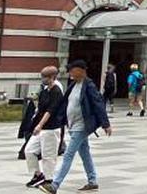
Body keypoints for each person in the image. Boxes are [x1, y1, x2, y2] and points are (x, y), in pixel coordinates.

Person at [39, 59, 111, 194]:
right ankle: (92, 181)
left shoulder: (88, 85)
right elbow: (64, 103)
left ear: (81, 71)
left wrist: (105, 124)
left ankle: (54, 185)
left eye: (72, 70)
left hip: (82, 126)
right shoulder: (73, 85)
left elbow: (98, 104)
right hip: (73, 125)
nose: (70, 73)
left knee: (68, 154)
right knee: (85, 153)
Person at [24, 66, 64, 188]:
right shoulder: (45, 90)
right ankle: (38, 174)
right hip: (40, 128)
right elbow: (40, 109)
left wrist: (40, 125)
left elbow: (50, 111)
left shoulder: (57, 91)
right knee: (29, 150)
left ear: (52, 77)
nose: (42, 79)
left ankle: (49, 180)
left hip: (51, 128)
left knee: (48, 155)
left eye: (45, 77)